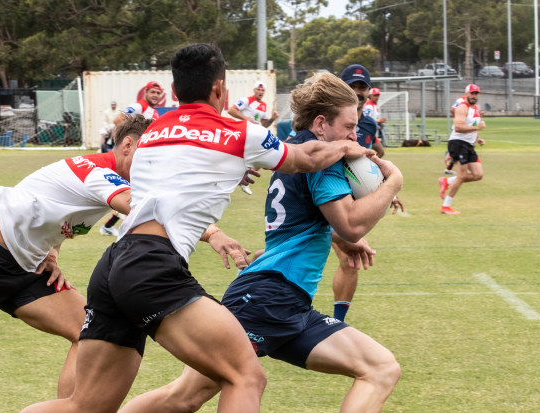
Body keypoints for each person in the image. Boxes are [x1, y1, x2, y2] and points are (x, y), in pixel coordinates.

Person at [20, 43, 373, 413]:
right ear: (220, 89)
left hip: (112, 266)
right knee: (246, 377)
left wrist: (229, 171)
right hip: (153, 267)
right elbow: (307, 157)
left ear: (174, 92)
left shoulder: (154, 132)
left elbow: (183, 173)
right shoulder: (238, 131)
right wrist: (351, 149)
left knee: (85, 405)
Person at [118, 71, 402, 413]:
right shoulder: (323, 162)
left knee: (381, 368)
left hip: (289, 303)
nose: (354, 136)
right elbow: (352, 223)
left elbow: (309, 225)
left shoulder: (295, 152)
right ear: (322, 123)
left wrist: (341, 243)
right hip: (267, 299)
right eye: (348, 127)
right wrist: (392, 184)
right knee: (185, 395)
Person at [0, 115, 149, 399]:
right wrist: (209, 233)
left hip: (29, 270)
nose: (153, 167)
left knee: (87, 330)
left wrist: (51, 253)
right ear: (128, 145)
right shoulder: (100, 173)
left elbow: (46, 205)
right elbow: (138, 208)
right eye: (150, 156)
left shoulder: (101, 173)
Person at [331, 64, 405, 321]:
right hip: (326, 196)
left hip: (349, 200)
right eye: (352, 86)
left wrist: (385, 190)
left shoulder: (369, 124)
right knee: (347, 257)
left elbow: (370, 158)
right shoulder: (329, 120)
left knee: (306, 247)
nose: (358, 91)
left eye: (362, 87)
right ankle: (336, 326)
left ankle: (337, 323)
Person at [100, 81, 164, 235]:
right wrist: (127, 141)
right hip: (132, 157)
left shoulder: (154, 113)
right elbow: (118, 120)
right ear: (146, 92)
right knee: (132, 194)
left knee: (135, 194)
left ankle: (109, 226)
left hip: (144, 158)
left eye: (158, 93)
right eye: (152, 92)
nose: (155, 96)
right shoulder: (139, 106)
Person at [438, 83, 486, 215]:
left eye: (476, 94)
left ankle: (447, 181)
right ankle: (446, 206)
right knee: (463, 175)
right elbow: (459, 127)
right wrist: (478, 128)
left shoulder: (475, 109)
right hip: (458, 143)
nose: (474, 96)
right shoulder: (462, 107)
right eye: (472, 93)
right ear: (466, 94)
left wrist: (478, 138)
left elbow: (471, 126)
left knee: (478, 175)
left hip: (469, 145)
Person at [228, 81, 279, 195]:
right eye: (258, 89)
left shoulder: (263, 105)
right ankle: (241, 179)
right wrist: (245, 118)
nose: (260, 92)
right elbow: (231, 110)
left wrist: (272, 118)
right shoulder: (246, 100)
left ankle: (245, 178)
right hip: (244, 134)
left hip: (254, 135)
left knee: (265, 154)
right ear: (254, 90)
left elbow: (264, 124)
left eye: (262, 90)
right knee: (263, 154)